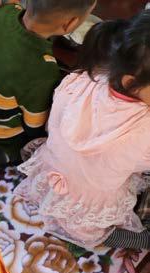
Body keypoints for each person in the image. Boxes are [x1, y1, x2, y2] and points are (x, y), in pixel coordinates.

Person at [15, 13, 150, 249]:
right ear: (130, 82)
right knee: (96, 231)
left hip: (53, 171)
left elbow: (53, 124)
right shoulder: (145, 128)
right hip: (92, 201)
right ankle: (138, 240)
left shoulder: (83, 78)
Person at [0, 0, 96, 168]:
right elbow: (34, 125)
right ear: (70, 24)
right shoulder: (42, 69)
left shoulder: (3, 11)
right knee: (38, 140)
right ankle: (4, 152)